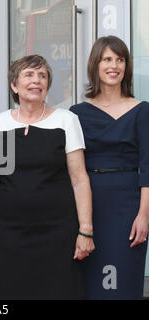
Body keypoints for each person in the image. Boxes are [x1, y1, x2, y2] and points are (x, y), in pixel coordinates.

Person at [0, 54, 95, 299]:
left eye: (42, 76)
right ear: (14, 85)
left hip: (57, 233)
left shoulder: (66, 120)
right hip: (9, 234)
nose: (37, 81)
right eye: (29, 75)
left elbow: (79, 179)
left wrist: (86, 231)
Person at [70, 36, 149, 299]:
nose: (114, 65)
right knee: (92, 282)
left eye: (120, 59)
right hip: (89, 205)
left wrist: (144, 215)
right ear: (96, 64)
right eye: (107, 59)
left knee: (123, 282)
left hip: (128, 204)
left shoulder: (142, 110)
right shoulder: (76, 113)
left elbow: (147, 165)